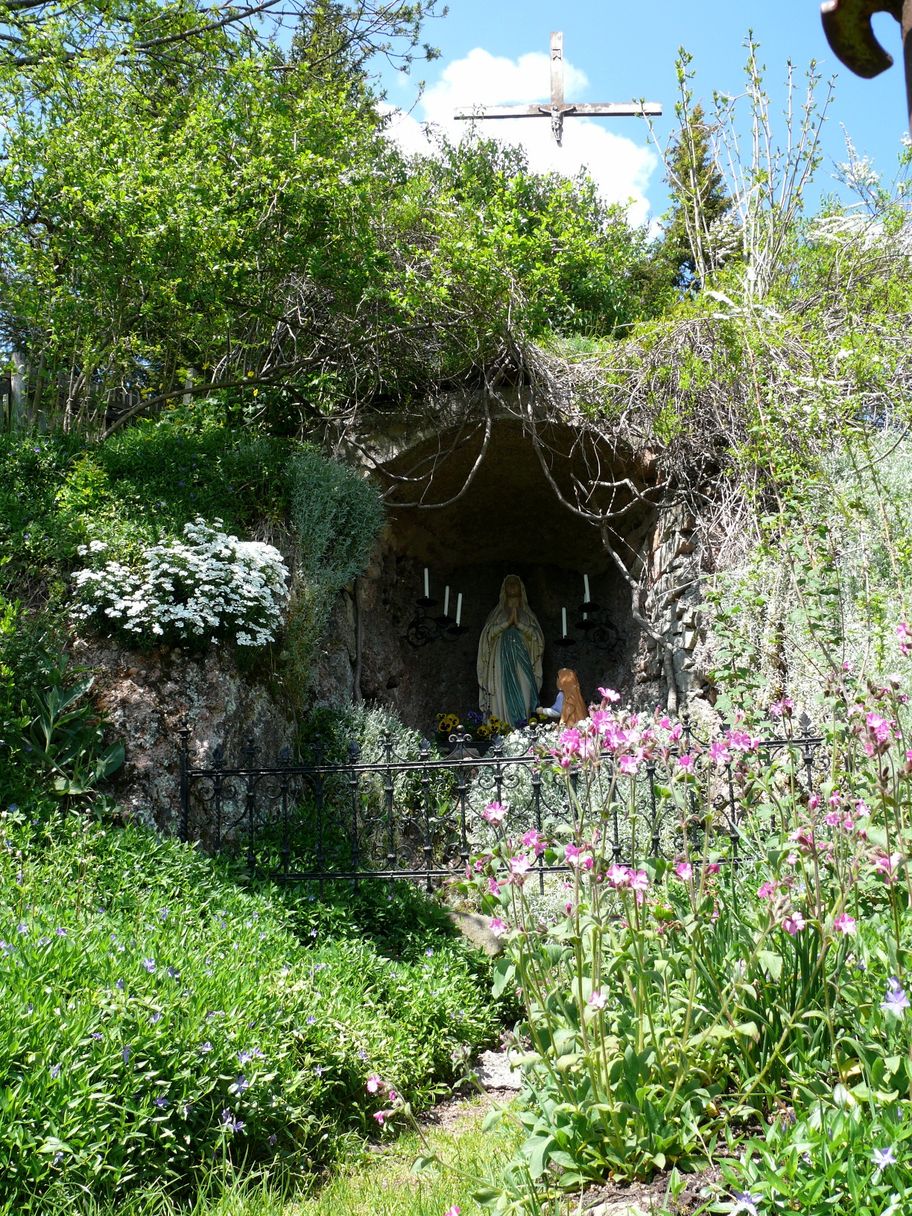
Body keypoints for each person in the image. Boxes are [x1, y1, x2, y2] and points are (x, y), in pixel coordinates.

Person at [477, 575, 544, 726]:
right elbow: (487, 635)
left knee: (526, 692)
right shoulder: (497, 614)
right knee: (500, 694)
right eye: (509, 583)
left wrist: (519, 625)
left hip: (523, 660)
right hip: (500, 660)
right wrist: (506, 624)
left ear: (522, 589)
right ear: (504, 589)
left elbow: (537, 639)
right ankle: (501, 729)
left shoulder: (528, 615)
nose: (512, 586)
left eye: (516, 583)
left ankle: (522, 729)